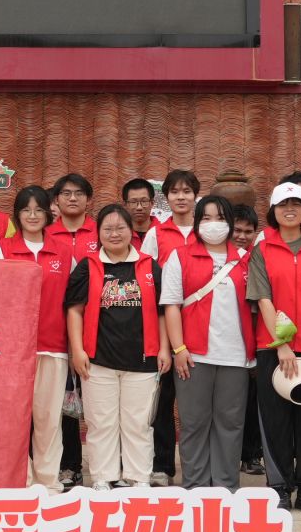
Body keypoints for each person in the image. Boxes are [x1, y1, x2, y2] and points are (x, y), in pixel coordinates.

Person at [247, 183, 301, 513]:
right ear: (273, 210)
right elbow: (263, 299)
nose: (290, 209)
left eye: (296, 203)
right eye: (283, 204)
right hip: (273, 350)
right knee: (275, 420)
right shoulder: (262, 249)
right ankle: (279, 487)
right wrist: (281, 345)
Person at [66, 204, 167, 490]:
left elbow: (163, 311)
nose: (114, 234)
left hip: (143, 360)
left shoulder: (149, 266)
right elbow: (74, 310)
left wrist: (164, 348)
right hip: (98, 359)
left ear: (131, 231)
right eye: (107, 229)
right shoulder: (88, 266)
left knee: (138, 423)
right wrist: (77, 350)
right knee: (101, 423)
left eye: (120, 228)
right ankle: (103, 477)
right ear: (98, 233)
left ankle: (139, 477)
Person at [160, 195, 254, 490]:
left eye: (221, 218)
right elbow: (171, 305)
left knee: (231, 423)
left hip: (235, 356)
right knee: (194, 423)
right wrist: (178, 348)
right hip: (193, 355)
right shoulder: (180, 256)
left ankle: (226, 486)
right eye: (207, 218)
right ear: (197, 222)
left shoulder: (246, 259)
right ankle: (196, 487)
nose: (214, 224)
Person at [0, 187, 72, 488]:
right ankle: (19, 480)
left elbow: (73, 303)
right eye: (26, 210)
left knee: (48, 419)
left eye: (39, 210)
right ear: (17, 214)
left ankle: (48, 481)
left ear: (49, 214)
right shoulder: (1, 249)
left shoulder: (64, 252)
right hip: (12, 350)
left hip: (53, 346)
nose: (33, 215)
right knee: (14, 419)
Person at [140, 169, 200, 485]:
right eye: (174, 192)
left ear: (195, 196)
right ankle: (162, 466)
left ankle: (198, 469)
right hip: (163, 326)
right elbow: (145, 277)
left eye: (186, 191)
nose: (181, 197)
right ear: (166, 197)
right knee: (163, 401)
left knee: (195, 405)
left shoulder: (207, 231)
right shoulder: (156, 234)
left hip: (201, 326)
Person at [229, 205, 267, 478]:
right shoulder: (218, 259)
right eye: (237, 230)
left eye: (248, 231)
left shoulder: (258, 259)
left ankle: (251, 455)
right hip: (224, 341)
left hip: (254, 338)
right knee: (229, 407)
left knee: (254, 401)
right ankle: (228, 456)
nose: (242, 236)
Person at [49, 174, 101, 259]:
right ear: (56, 199)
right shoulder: (46, 234)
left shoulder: (100, 232)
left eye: (79, 194)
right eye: (66, 194)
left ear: (88, 200)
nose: (73, 198)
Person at [121, 178, 156, 242]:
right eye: (133, 202)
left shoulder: (163, 232)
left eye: (144, 201)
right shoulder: (119, 234)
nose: (139, 207)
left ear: (152, 203)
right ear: (125, 204)